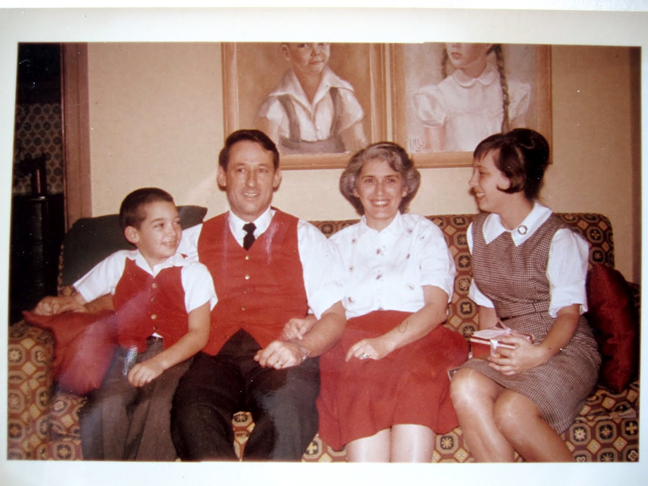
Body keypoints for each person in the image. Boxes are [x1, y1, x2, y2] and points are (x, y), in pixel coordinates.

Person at [285, 141, 468, 462]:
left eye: (390, 180)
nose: (380, 191)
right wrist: (306, 323)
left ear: (405, 187)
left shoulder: (424, 233)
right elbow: (331, 311)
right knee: (360, 373)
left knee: (416, 375)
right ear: (355, 188)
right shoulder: (336, 245)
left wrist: (385, 343)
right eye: (369, 180)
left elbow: (436, 308)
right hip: (355, 341)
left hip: (418, 338)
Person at [170, 129, 347, 461]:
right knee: (191, 413)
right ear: (222, 176)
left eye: (262, 170)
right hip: (213, 357)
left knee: (287, 411)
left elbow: (335, 316)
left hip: (280, 354)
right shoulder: (190, 240)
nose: (251, 182)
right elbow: (142, 285)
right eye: (240, 169)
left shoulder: (305, 237)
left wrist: (300, 348)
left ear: (276, 177)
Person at [449, 128, 601, 462]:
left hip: (561, 347)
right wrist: (489, 352)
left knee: (511, 411)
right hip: (511, 345)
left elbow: (569, 314)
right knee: (465, 384)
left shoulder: (559, 238)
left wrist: (537, 355)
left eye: (482, 173)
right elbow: (487, 306)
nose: (472, 182)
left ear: (512, 178)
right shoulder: (479, 231)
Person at [33, 187, 217, 461]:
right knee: (106, 404)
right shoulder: (118, 262)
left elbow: (199, 334)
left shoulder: (194, 272)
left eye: (176, 223)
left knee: (158, 407)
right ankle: (108, 475)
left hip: (175, 355)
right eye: (160, 225)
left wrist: (158, 363)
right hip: (125, 353)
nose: (173, 232)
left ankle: (146, 475)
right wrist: (54, 304)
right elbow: (76, 300)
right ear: (133, 235)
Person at [414, 43, 530, 153]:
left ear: (487, 43)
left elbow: (520, 156)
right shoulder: (437, 96)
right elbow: (436, 159)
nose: (455, 44)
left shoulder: (514, 91)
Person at [255, 42, 367, 155]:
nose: (316, 52)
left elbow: (357, 144)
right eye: (304, 45)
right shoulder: (276, 102)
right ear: (286, 53)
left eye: (322, 44)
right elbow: (267, 154)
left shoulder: (342, 94)